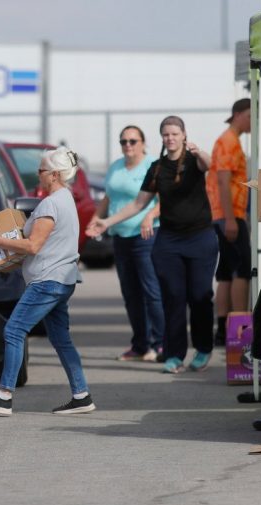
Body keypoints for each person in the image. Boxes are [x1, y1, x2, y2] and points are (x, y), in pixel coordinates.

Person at [87, 116, 218, 374]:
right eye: (166, 135)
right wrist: (106, 222)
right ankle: (173, 355)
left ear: (183, 135)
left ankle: (203, 348)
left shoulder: (193, 160)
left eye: (174, 134)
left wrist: (198, 150)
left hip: (200, 237)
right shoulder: (157, 168)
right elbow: (138, 204)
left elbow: (209, 164)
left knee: (200, 296)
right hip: (169, 240)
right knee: (173, 298)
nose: (170, 138)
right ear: (162, 138)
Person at [0, 147, 95, 415]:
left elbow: (33, 245)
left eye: (41, 170)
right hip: (62, 279)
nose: (38, 175)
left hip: (47, 281)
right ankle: (81, 395)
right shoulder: (65, 198)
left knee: (13, 331)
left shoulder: (50, 203)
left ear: (54, 174)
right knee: (61, 339)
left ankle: (4, 396)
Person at [89, 125, 165, 362]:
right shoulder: (115, 167)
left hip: (146, 236)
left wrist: (150, 217)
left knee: (151, 290)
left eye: (133, 141)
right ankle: (140, 344)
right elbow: (109, 197)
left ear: (143, 143)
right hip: (120, 236)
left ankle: (160, 344)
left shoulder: (152, 165)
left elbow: (164, 199)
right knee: (130, 293)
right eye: (124, 142)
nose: (128, 146)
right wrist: (96, 220)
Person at [206, 99, 252, 348]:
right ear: (237, 115)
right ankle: (239, 326)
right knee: (241, 270)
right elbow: (223, 181)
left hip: (226, 214)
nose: (252, 121)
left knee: (225, 271)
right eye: (249, 115)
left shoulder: (230, 140)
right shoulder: (228, 141)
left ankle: (224, 328)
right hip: (229, 214)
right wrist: (232, 219)